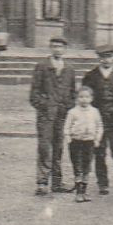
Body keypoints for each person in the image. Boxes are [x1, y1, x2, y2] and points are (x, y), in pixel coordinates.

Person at [29, 37, 78, 194]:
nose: (57, 49)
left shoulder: (69, 69)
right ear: (50, 48)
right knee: (44, 148)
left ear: (65, 49)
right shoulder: (42, 67)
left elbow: (72, 92)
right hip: (46, 115)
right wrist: (44, 106)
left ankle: (57, 183)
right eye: (54, 46)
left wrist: (68, 106)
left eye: (60, 47)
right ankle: (42, 183)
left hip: (62, 115)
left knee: (58, 148)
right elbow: (34, 93)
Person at [82, 46, 113, 194]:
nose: (106, 60)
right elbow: (86, 97)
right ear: (99, 58)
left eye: (109, 56)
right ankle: (102, 184)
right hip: (97, 121)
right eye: (103, 57)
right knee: (99, 153)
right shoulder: (90, 76)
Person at [65, 86, 105, 203]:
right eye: (81, 97)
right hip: (76, 142)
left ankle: (84, 191)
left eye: (87, 97)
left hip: (89, 142)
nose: (84, 99)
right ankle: (78, 192)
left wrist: (97, 139)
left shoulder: (95, 111)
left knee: (87, 166)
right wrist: (68, 138)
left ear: (91, 98)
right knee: (77, 166)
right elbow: (67, 127)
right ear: (77, 98)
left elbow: (100, 126)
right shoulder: (72, 112)